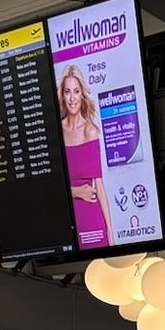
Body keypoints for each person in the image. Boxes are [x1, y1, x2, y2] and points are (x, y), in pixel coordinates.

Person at [59, 66, 111, 249]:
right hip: (66, 216)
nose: (72, 98)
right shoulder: (57, 132)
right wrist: (75, 192)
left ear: (82, 95)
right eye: (67, 92)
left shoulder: (90, 131)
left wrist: (109, 231)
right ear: (62, 96)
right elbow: (49, 188)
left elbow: (99, 184)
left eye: (76, 91)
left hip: (91, 218)